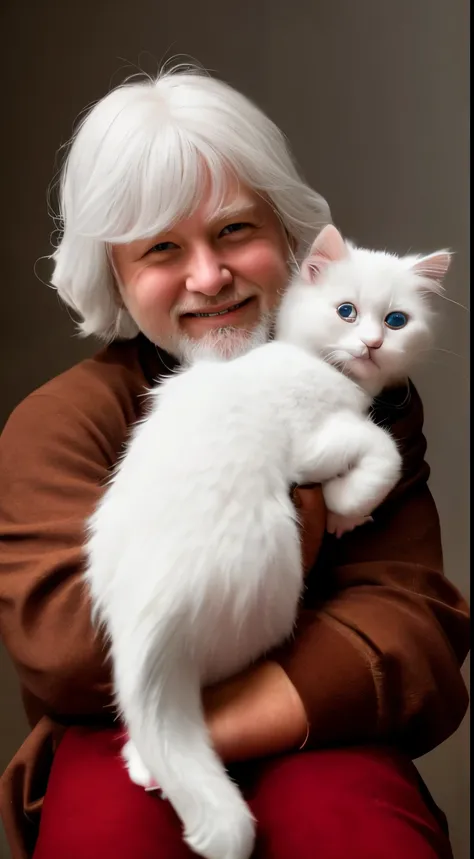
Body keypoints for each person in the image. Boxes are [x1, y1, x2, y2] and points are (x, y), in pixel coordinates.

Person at [0, 66, 469, 859]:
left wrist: (196, 731)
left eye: (233, 231)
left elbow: (409, 620)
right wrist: (306, 498)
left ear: (287, 235)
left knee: (359, 831)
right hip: (119, 724)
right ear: (112, 271)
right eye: (159, 249)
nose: (209, 277)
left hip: (306, 713)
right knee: (108, 836)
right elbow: (69, 650)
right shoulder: (58, 420)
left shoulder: (370, 393)